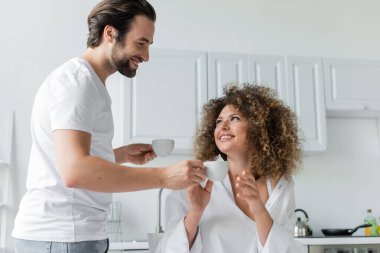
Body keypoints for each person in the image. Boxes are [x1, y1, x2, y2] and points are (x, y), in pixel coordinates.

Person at [12, 1, 206, 252]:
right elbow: (75, 170)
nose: (146, 56)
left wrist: (120, 155)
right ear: (111, 33)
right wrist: (165, 176)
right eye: (141, 43)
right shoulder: (77, 83)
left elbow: (65, 161)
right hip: (62, 236)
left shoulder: (90, 84)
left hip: (70, 236)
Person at [157, 84, 303, 253]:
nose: (223, 126)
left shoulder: (281, 184)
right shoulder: (194, 178)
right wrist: (195, 212)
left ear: (259, 128)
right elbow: (168, 249)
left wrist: (259, 210)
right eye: (219, 121)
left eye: (234, 118)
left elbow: (286, 249)